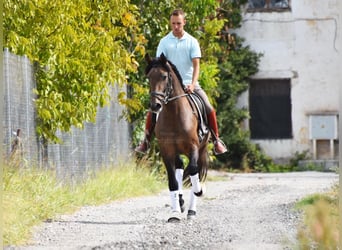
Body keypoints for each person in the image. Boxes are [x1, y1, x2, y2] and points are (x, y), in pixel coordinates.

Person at [135, 9, 227, 155]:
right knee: (153, 110)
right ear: (170, 23)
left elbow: (196, 66)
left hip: (190, 84)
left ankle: (216, 141)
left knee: (209, 107)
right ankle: (145, 141)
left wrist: (192, 83)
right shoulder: (164, 42)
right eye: (173, 24)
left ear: (184, 22)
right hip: (169, 86)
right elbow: (159, 65)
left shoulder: (192, 42)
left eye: (178, 23)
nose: (176, 27)